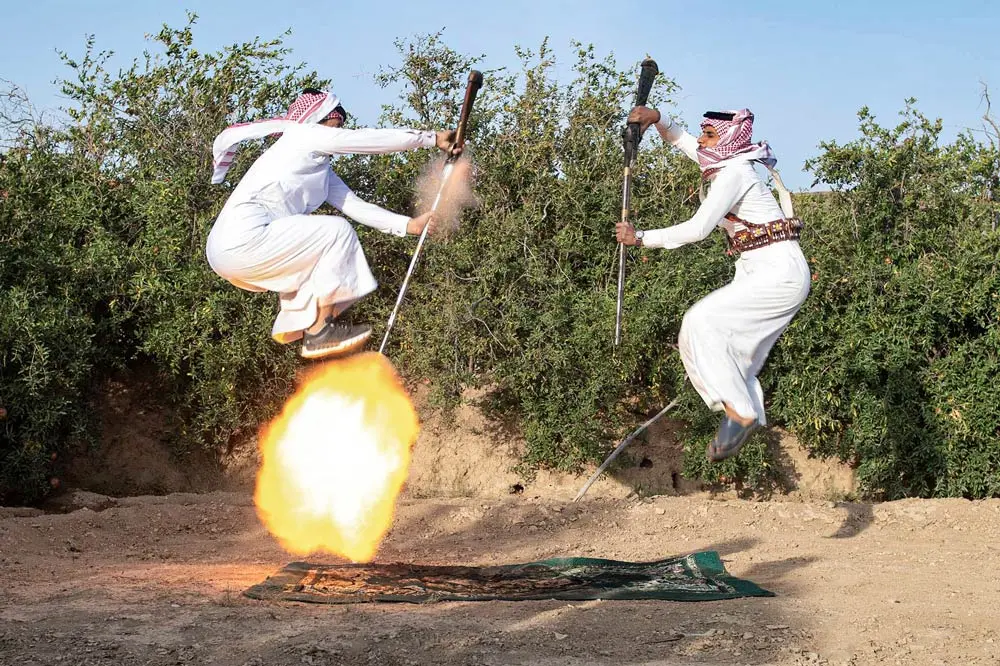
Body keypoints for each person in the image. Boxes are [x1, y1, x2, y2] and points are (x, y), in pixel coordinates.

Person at [616, 106, 810, 461]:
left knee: (701, 321)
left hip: (778, 272)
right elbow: (685, 142)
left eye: (709, 135)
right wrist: (658, 118)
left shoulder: (734, 173)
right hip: (762, 269)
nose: (702, 140)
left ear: (727, 140)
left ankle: (741, 413)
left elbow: (698, 229)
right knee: (721, 347)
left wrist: (640, 237)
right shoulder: (725, 163)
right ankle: (742, 412)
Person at [206, 88, 458, 359]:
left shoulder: (320, 170)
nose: (337, 136)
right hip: (243, 238)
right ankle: (319, 332)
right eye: (336, 126)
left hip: (229, 256)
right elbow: (367, 141)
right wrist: (432, 138)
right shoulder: (303, 135)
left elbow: (355, 205)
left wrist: (408, 225)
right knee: (336, 231)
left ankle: (312, 330)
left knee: (315, 256)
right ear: (321, 119)